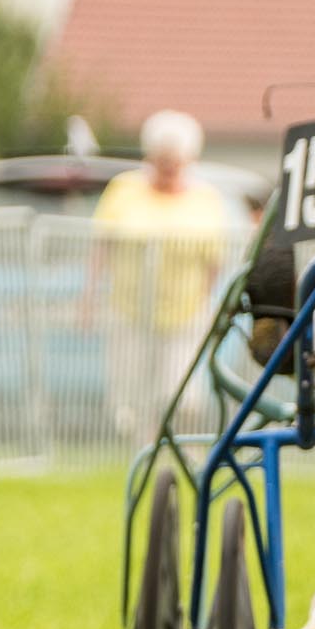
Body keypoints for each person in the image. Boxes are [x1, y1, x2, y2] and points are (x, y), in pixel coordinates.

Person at [92, 110, 243, 432]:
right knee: (131, 396)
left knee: (181, 396)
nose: (168, 167)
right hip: (129, 311)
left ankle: (175, 449)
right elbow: (100, 246)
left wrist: (208, 304)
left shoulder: (205, 199)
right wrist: (89, 296)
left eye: (175, 160)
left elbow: (215, 259)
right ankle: (142, 452)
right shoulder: (124, 189)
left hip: (185, 315)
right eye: (162, 159)